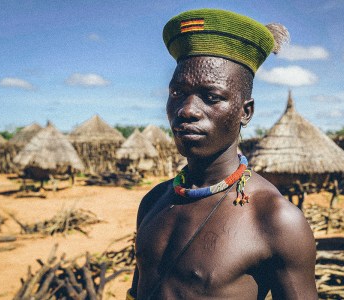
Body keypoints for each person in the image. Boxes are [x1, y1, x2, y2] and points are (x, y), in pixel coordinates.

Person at [128, 8, 317, 300]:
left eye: (211, 97)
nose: (187, 110)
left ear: (245, 112)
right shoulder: (153, 201)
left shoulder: (275, 220)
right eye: (177, 93)